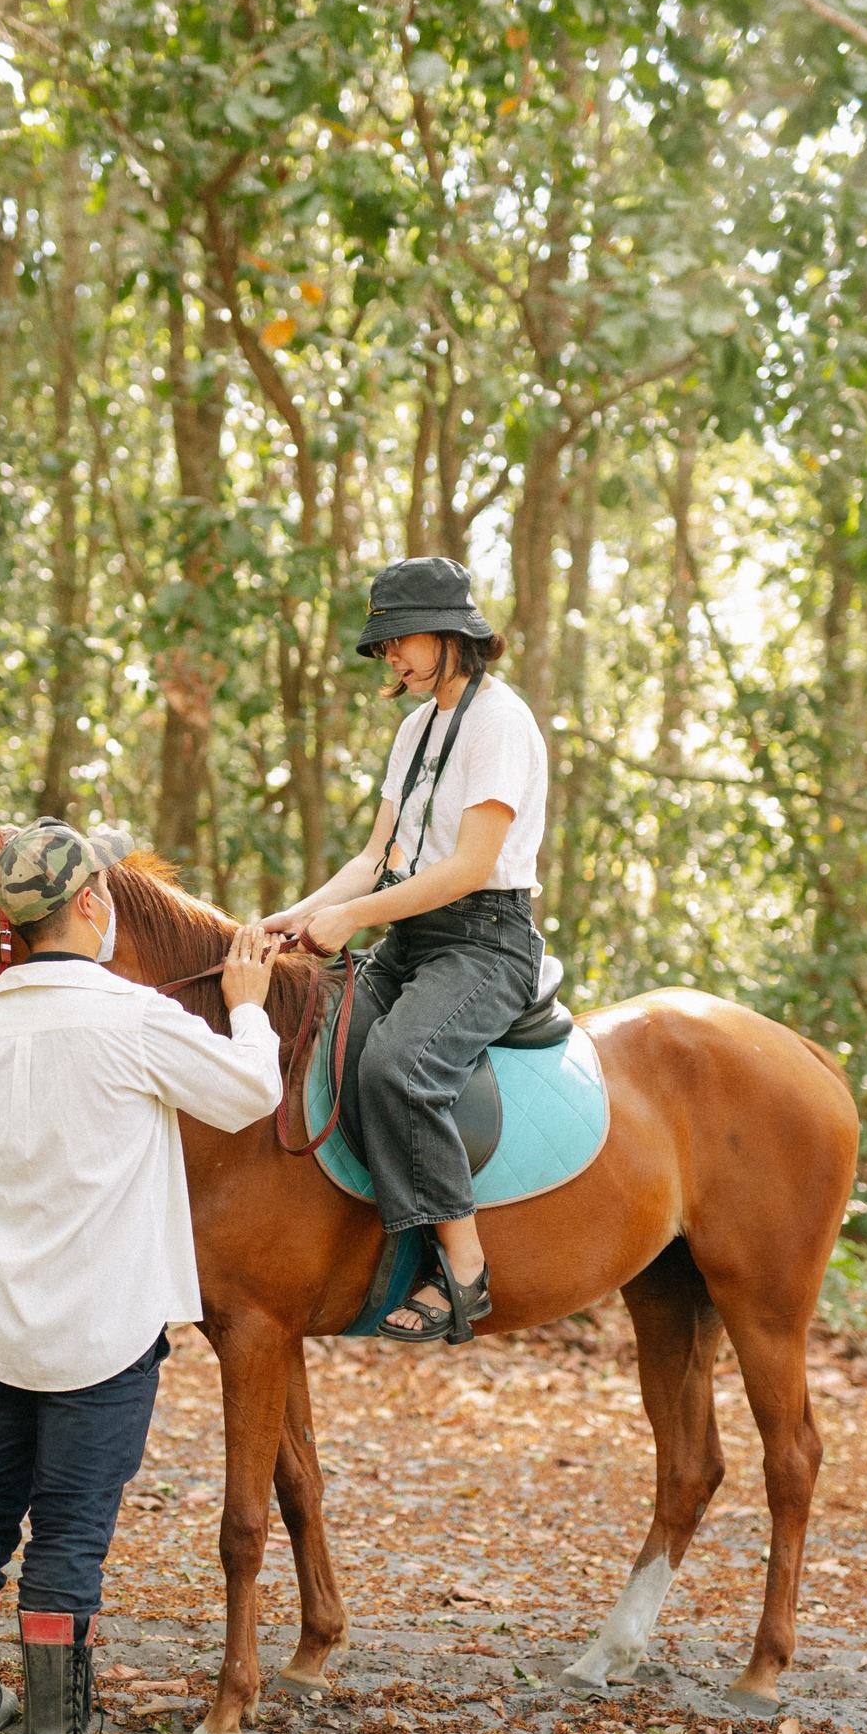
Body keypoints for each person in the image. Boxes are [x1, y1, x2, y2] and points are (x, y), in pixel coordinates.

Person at [0, 817, 284, 1734]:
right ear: (95, 903)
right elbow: (250, 1091)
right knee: (69, 1541)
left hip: (2, 1329)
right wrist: (246, 1005)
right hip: (101, 1337)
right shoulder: (133, 1019)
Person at [264, 557, 548, 1342]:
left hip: (486, 942)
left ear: (452, 634)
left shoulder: (499, 722)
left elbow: (469, 867)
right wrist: (298, 915)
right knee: (317, 1043)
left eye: (400, 641)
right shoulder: (415, 727)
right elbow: (373, 853)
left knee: (398, 1063)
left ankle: (464, 1266)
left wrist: (351, 918)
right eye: (382, 647)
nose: (390, 658)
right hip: (411, 934)